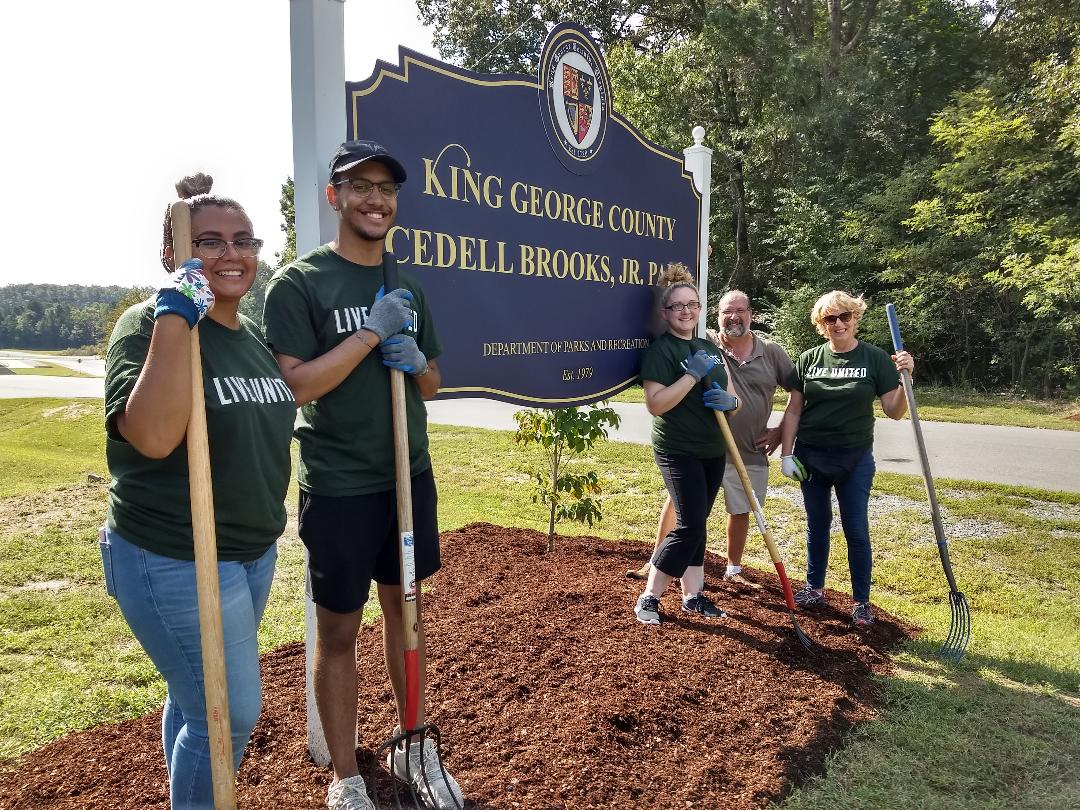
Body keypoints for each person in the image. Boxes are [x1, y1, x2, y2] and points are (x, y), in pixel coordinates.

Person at [262, 141, 462, 810]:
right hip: (341, 484)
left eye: (386, 188)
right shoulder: (301, 283)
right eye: (360, 186)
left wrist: (410, 359)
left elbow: (431, 384)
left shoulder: (405, 285)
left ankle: (412, 742)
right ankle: (346, 775)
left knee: (406, 613)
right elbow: (293, 385)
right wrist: (370, 338)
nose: (375, 198)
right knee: (341, 630)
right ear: (334, 197)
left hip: (408, 475)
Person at [100, 175, 296, 809]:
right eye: (209, 242)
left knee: (197, 699)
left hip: (250, 554)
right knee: (227, 714)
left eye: (243, 240)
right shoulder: (147, 326)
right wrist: (174, 313)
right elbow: (152, 437)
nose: (231, 254)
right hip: (173, 553)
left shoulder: (251, 338)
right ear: (175, 255)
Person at [627, 290, 797, 586]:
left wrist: (781, 432)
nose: (734, 317)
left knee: (741, 508)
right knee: (683, 511)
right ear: (716, 317)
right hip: (701, 446)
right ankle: (655, 565)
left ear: (751, 314)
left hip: (748, 446)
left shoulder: (770, 351)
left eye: (740, 311)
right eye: (726, 312)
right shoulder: (707, 344)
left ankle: (733, 570)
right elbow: (680, 321)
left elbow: (799, 391)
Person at [780, 290, 914, 626]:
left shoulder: (875, 359)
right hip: (810, 455)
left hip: (854, 457)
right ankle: (814, 587)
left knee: (856, 528)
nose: (838, 323)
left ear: (855, 318)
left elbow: (894, 411)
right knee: (817, 524)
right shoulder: (809, 359)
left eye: (844, 316)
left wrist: (906, 379)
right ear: (821, 324)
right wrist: (785, 453)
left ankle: (861, 602)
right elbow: (794, 410)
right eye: (830, 318)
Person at [633, 263, 742, 625]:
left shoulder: (709, 346)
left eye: (691, 304)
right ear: (666, 313)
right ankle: (649, 597)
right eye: (677, 306)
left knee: (699, 522)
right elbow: (656, 404)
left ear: (699, 308)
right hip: (677, 449)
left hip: (713, 448)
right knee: (689, 524)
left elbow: (731, 394)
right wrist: (691, 376)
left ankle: (693, 596)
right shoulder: (661, 352)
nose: (685, 311)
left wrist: (733, 404)